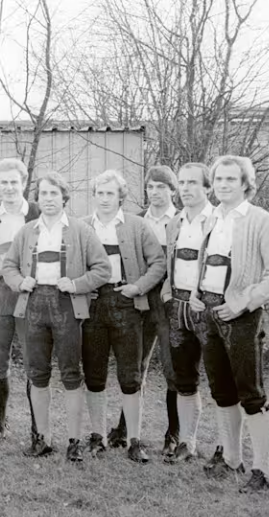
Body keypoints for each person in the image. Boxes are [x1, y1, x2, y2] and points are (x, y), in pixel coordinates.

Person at [0, 172, 111, 462]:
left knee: (71, 373)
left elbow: (103, 269)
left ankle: (74, 440)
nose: (48, 199)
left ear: (64, 198)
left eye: (54, 194)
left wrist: (76, 284)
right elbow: (8, 266)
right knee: (37, 373)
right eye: (43, 194)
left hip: (67, 306)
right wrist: (19, 281)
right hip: (34, 305)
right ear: (37, 198)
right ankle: (42, 439)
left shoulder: (81, 230)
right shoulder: (27, 231)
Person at [190, 155, 269, 493]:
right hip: (209, 314)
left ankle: (262, 470)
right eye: (219, 179)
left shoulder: (262, 221)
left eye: (231, 179)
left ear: (246, 184)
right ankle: (231, 459)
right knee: (221, 390)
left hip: (242, 316)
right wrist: (196, 294)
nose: (224, 184)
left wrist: (243, 303)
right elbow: (206, 265)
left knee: (251, 392)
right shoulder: (211, 218)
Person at [81, 170, 165, 463]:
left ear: (121, 196)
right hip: (93, 306)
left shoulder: (137, 225)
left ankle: (134, 441)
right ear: (94, 196)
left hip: (127, 304)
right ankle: (98, 436)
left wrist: (137, 287)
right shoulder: (82, 226)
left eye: (110, 193)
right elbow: (69, 265)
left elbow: (158, 262)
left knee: (130, 375)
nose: (105, 199)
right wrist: (82, 286)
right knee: (94, 375)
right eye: (100, 193)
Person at [110, 166, 180, 453]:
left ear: (172, 190)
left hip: (168, 302)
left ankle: (173, 433)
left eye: (161, 187)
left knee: (172, 367)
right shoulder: (136, 220)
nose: (155, 192)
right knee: (134, 364)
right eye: (150, 187)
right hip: (139, 300)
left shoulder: (182, 220)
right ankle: (125, 429)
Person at [0, 158, 40, 446]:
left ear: (24, 183)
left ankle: (38, 428)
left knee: (34, 359)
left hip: (32, 293)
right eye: (3, 182)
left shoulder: (38, 212)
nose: (9, 187)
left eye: (14, 182)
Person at [160, 163, 214, 465]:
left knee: (223, 379)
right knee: (184, 377)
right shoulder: (175, 222)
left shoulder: (218, 221)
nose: (186, 188)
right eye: (182, 183)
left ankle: (225, 447)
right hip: (178, 307)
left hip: (209, 307)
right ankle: (187, 442)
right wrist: (168, 293)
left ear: (207, 187)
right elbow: (172, 264)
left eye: (193, 182)